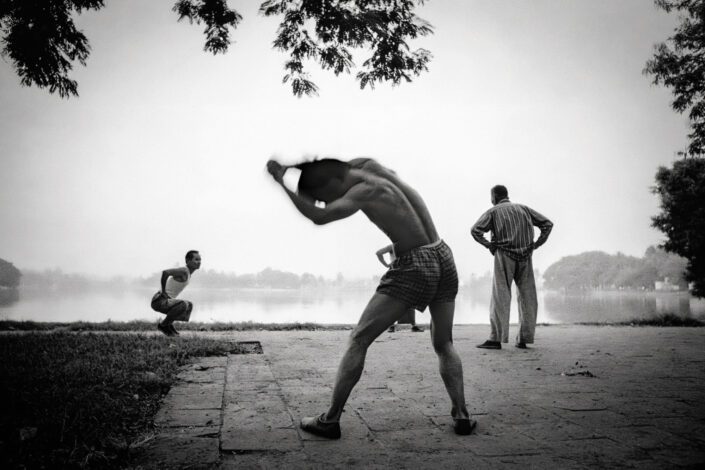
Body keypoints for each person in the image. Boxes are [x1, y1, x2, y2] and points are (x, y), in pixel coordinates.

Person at [267, 157, 475, 439]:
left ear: (333, 183)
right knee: (443, 342)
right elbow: (404, 211)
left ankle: (330, 420)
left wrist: (282, 182)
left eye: (325, 196)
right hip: (442, 254)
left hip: (414, 264)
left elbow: (321, 216)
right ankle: (462, 415)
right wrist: (294, 167)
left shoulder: (364, 191)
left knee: (359, 339)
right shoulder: (372, 167)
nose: (330, 201)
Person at [471, 185, 553, 350]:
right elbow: (547, 224)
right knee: (527, 296)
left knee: (501, 295)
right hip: (526, 255)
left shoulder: (493, 211)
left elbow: (475, 230)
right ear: (506, 195)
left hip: (504, 254)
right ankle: (523, 338)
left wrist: (489, 246)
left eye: (491, 197)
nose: (491, 200)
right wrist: (536, 244)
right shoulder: (524, 209)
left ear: (494, 197)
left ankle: (496, 339)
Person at [151, 250, 201, 336]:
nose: (199, 262)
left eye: (200, 260)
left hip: (165, 301)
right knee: (183, 304)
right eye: (196, 259)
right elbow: (165, 273)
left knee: (189, 305)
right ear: (187, 261)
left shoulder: (188, 273)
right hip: (159, 300)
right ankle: (163, 325)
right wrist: (163, 292)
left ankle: (168, 324)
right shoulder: (184, 271)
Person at [376, 244, 424, 333]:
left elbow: (379, 253)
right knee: (395, 300)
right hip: (398, 275)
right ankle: (393, 325)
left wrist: (387, 265)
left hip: (406, 275)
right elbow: (378, 253)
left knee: (409, 301)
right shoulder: (395, 246)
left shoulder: (406, 247)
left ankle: (411, 325)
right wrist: (387, 265)